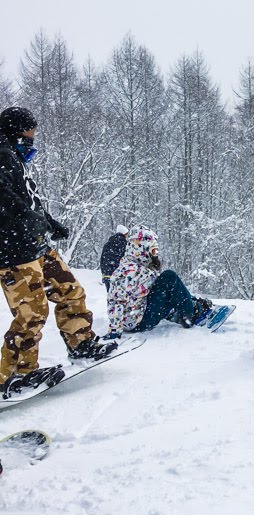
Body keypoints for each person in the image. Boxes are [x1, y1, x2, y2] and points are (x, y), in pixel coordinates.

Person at [0, 106, 115, 398]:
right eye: (30, 130)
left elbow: (29, 199)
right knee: (31, 312)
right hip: (13, 251)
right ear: (16, 130)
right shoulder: (2, 156)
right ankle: (14, 374)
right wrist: (34, 221)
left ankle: (81, 341)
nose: (33, 135)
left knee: (69, 289)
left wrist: (49, 223)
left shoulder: (14, 157)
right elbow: (8, 203)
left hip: (36, 244)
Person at [105, 225, 214, 336]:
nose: (155, 254)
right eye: (153, 250)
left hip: (135, 318)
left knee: (166, 285)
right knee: (169, 276)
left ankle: (184, 308)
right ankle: (190, 315)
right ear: (142, 247)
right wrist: (115, 330)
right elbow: (115, 300)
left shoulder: (129, 267)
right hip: (140, 321)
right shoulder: (132, 271)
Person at [100, 224, 129, 291]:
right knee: (120, 297)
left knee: (110, 295)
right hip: (119, 274)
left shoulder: (107, 244)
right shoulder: (125, 244)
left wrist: (104, 273)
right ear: (124, 233)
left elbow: (102, 260)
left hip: (107, 274)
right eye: (127, 234)